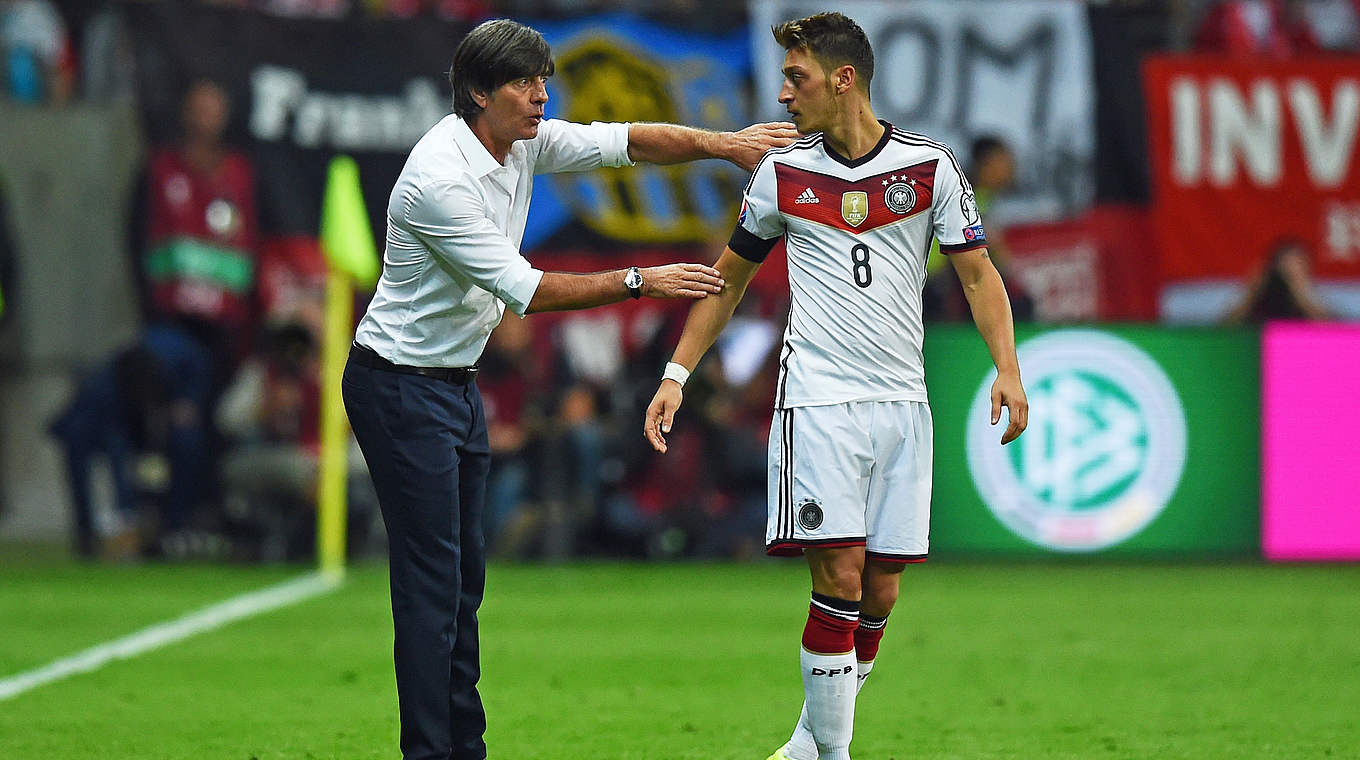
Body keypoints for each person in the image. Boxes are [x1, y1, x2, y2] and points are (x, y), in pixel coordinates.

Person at [340, 18, 797, 760]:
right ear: (479, 93)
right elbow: (528, 291)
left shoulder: (519, 140)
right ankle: (431, 752)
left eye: (543, 79)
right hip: (397, 388)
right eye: (524, 82)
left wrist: (726, 143)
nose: (541, 95)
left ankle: (466, 747)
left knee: (462, 584)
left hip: (452, 384)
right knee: (431, 586)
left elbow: (623, 142)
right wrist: (642, 280)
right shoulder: (439, 178)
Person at [642, 13, 1028, 760]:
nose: (783, 94)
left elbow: (979, 275)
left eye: (797, 78)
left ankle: (805, 743)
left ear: (842, 79)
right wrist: (676, 372)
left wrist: (1008, 368)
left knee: (880, 591)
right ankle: (836, 755)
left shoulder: (930, 170)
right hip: (816, 401)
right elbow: (726, 284)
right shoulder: (781, 175)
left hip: (902, 405)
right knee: (840, 577)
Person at [1224, 238, 1335, 322]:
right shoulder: (1259, 290)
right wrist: (1254, 288)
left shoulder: (1315, 294)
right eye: (1286, 262)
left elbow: (1331, 328)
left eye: (1298, 263)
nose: (1292, 268)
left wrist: (1300, 292)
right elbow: (1228, 325)